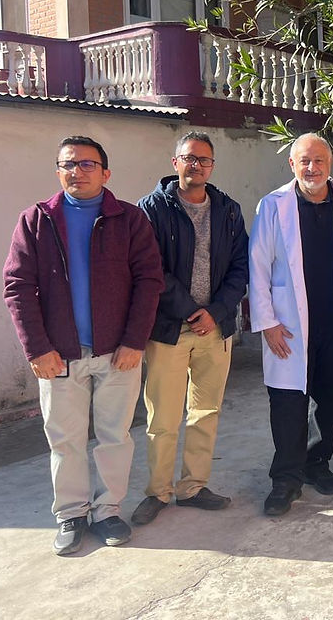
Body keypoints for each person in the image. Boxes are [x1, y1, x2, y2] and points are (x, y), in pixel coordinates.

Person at [3, 136, 163, 555]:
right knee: (65, 439)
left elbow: (149, 282)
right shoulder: (37, 220)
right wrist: (37, 348)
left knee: (115, 437)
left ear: (106, 173)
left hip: (117, 353)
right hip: (58, 356)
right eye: (69, 164)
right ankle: (71, 514)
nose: (78, 171)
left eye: (88, 164)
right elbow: (18, 286)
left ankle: (108, 510)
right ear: (59, 171)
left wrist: (133, 341)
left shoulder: (129, 219)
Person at [131, 132, 249, 526]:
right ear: (174, 162)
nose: (196, 165)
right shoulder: (151, 209)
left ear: (212, 166)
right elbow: (150, 269)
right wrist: (190, 311)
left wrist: (214, 311)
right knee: (162, 416)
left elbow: (239, 267)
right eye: (188, 158)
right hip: (169, 328)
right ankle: (158, 491)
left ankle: (194, 486)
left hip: (216, 328)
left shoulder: (228, 210)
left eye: (203, 159)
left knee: (206, 411)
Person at [248, 133, 333, 516]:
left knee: (330, 397)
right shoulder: (273, 205)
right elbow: (259, 267)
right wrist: (267, 323)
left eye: (319, 161)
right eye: (304, 161)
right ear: (292, 165)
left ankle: (318, 462)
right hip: (289, 323)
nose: (312, 168)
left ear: (329, 164)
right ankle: (286, 477)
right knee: (287, 401)